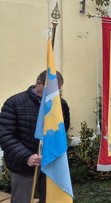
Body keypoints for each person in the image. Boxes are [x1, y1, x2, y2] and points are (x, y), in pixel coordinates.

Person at [0, 70, 70, 203]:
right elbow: (5, 136)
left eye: (58, 91)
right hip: (23, 166)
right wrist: (27, 156)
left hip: (50, 163)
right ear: (39, 83)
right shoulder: (14, 103)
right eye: (53, 90)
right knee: (22, 199)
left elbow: (62, 130)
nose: (55, 94)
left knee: (50, 199)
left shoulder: (60, 104)